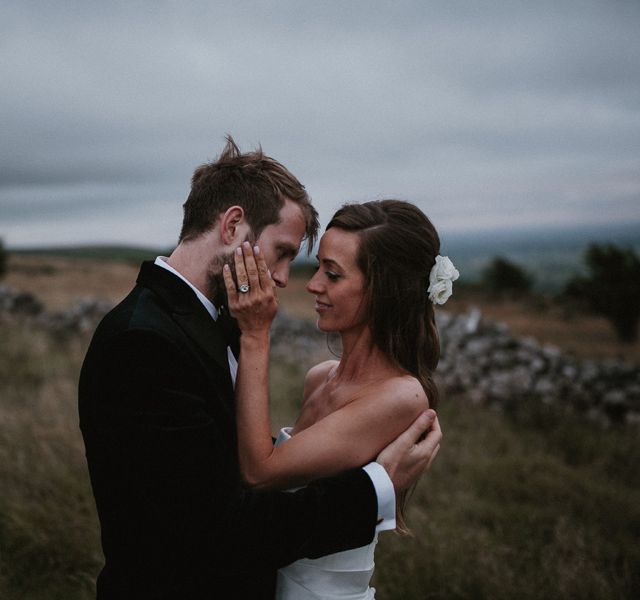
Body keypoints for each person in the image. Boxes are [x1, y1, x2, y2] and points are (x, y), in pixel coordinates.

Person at [78, 138, 442, 599]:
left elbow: (212, 468)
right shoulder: (143, 343)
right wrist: (377, 488)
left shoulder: (215, 325)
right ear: (233, 226)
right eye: (283, 252)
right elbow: (221, 529)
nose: (285, 278)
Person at [224, 199, 456, 599]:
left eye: (332, 274)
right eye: (318, 269)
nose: (313, 284)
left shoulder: (402, 396)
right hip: (269, 578)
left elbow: (260, 471)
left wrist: (255, 334)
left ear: (384, 290)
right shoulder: (319, 379)